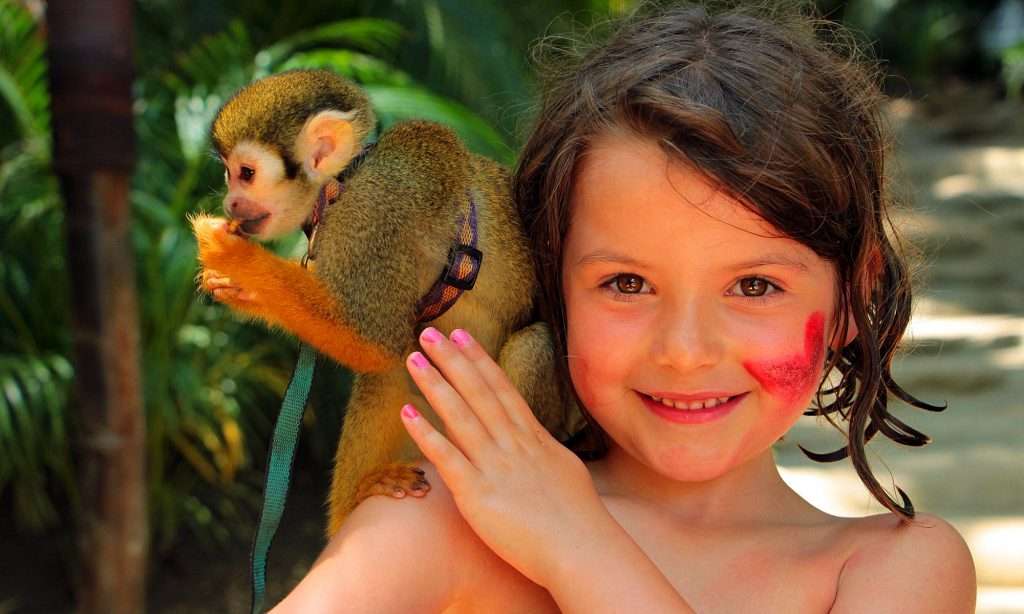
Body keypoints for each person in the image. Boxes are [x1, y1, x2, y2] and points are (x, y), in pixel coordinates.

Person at [273, 3, 977, 612]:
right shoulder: (442, 519)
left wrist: (577, 546)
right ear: (548, 277)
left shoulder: (895, 570)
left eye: (754, 286)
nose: (685, 349)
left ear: (854, 294)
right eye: (628, 284)